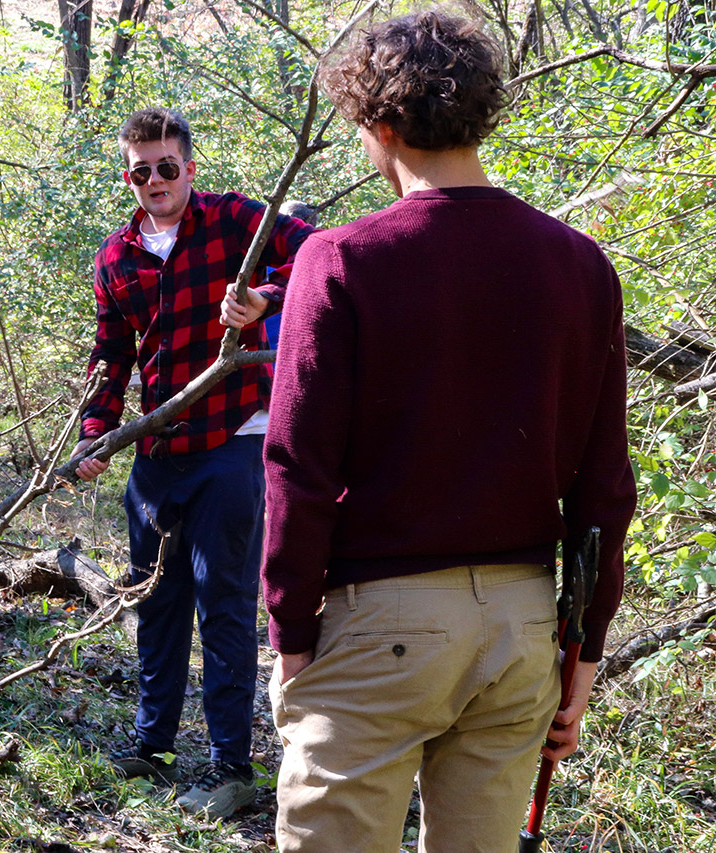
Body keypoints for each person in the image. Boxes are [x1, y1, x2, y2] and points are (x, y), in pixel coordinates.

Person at [261, 11, 636, 852]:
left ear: (381, 123)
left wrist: (290, 632)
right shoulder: (579, 264)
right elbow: (606, 482)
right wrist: (585, 653)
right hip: (522, 628)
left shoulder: (343, 258)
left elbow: (297, 464)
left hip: (379, 623)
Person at [73, 107, 314, 818]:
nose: (155, 180)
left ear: (190, 169)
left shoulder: (237, 220)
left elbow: (321, 255)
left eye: (167, 167)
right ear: (129, 176)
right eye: (141, 170)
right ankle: (155, 747)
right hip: (157, 444)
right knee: (155, 595)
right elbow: (112, 355)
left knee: (225, 601)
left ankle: (233, 766)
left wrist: (264, 297)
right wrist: (96, 431)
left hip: (235, 433)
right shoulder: (116, 256)